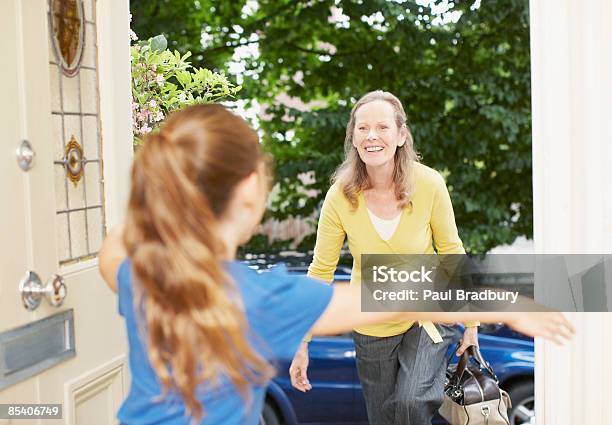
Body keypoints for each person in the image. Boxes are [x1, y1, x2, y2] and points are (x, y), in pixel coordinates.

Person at [99, 104, 573, 425]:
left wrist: (156, 197)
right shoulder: (257, 299)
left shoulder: (144, 277)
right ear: (248, 195)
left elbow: (111, 252)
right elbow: (398, 293)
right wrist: (507, 301)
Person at [289, 90, 484, 424]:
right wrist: (302, 341)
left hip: (427, 316)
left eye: (382, 127)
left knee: (409, 403)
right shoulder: (340, 197)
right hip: (372, 326)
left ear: (401, 135)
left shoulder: (429, 184)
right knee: (383, 418)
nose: (372, 136)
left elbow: (452, 250)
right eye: (362, 128)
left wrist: (471, 322)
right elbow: (321, 269)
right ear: (353, 136)